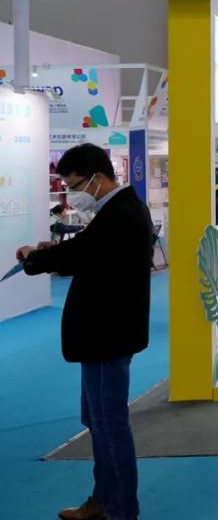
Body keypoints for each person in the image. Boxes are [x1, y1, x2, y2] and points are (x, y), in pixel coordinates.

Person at [16, 144, 154, 520]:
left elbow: (80, 254)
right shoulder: (119, 209)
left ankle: (122, 510)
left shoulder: (122, 213)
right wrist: (49, 252)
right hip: (102, 334)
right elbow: (89, 252)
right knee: (98, 422)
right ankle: (103, 500)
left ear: (97, 177)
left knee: (109, 426)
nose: (72, 193)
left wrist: (35, 258)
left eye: (74, 184)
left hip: (107, 335)